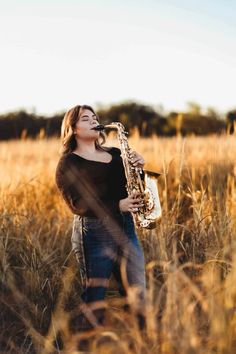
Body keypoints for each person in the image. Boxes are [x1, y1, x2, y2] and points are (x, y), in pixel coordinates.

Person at [55, 104, 146, 331]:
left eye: (95, 117)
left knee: (137, 294)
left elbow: (134, 185)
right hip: (94, 232)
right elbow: (77, 204)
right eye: (86, 119)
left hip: (125, 228)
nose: (94, 121)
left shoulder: (115, 153)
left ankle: (139, 343)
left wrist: (140, 168)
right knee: (95, 299)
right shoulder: (69, 163)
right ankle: (83, 345)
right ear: (73, 128)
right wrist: (118, 205)